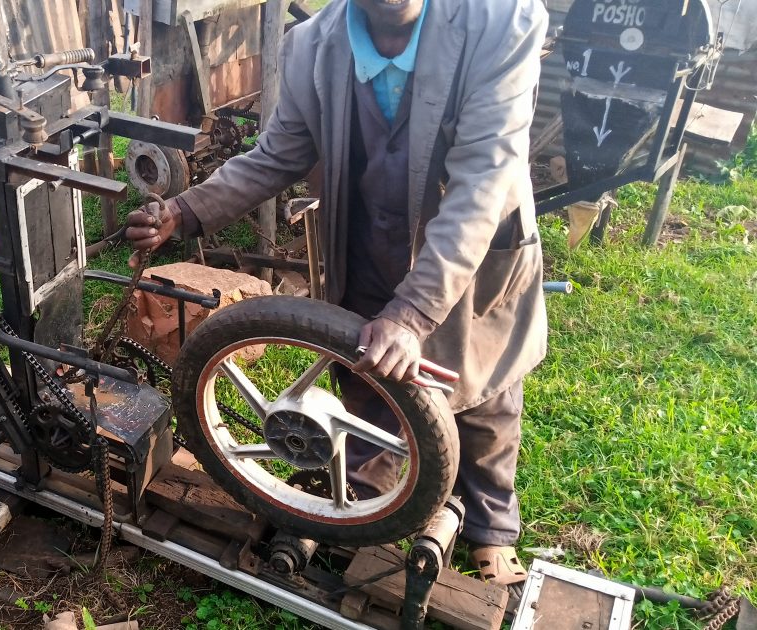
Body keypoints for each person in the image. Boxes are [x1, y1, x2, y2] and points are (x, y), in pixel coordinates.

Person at [125, 0, 549, 590]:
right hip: (371, 233)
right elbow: (277, 156)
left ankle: (489, 526)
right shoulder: (312, 48)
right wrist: (187, 209)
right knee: (371, 374)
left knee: (486, 388)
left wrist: (413, 311)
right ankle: (370, 496)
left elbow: (484, 179)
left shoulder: (502, 23)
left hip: (473, 246)